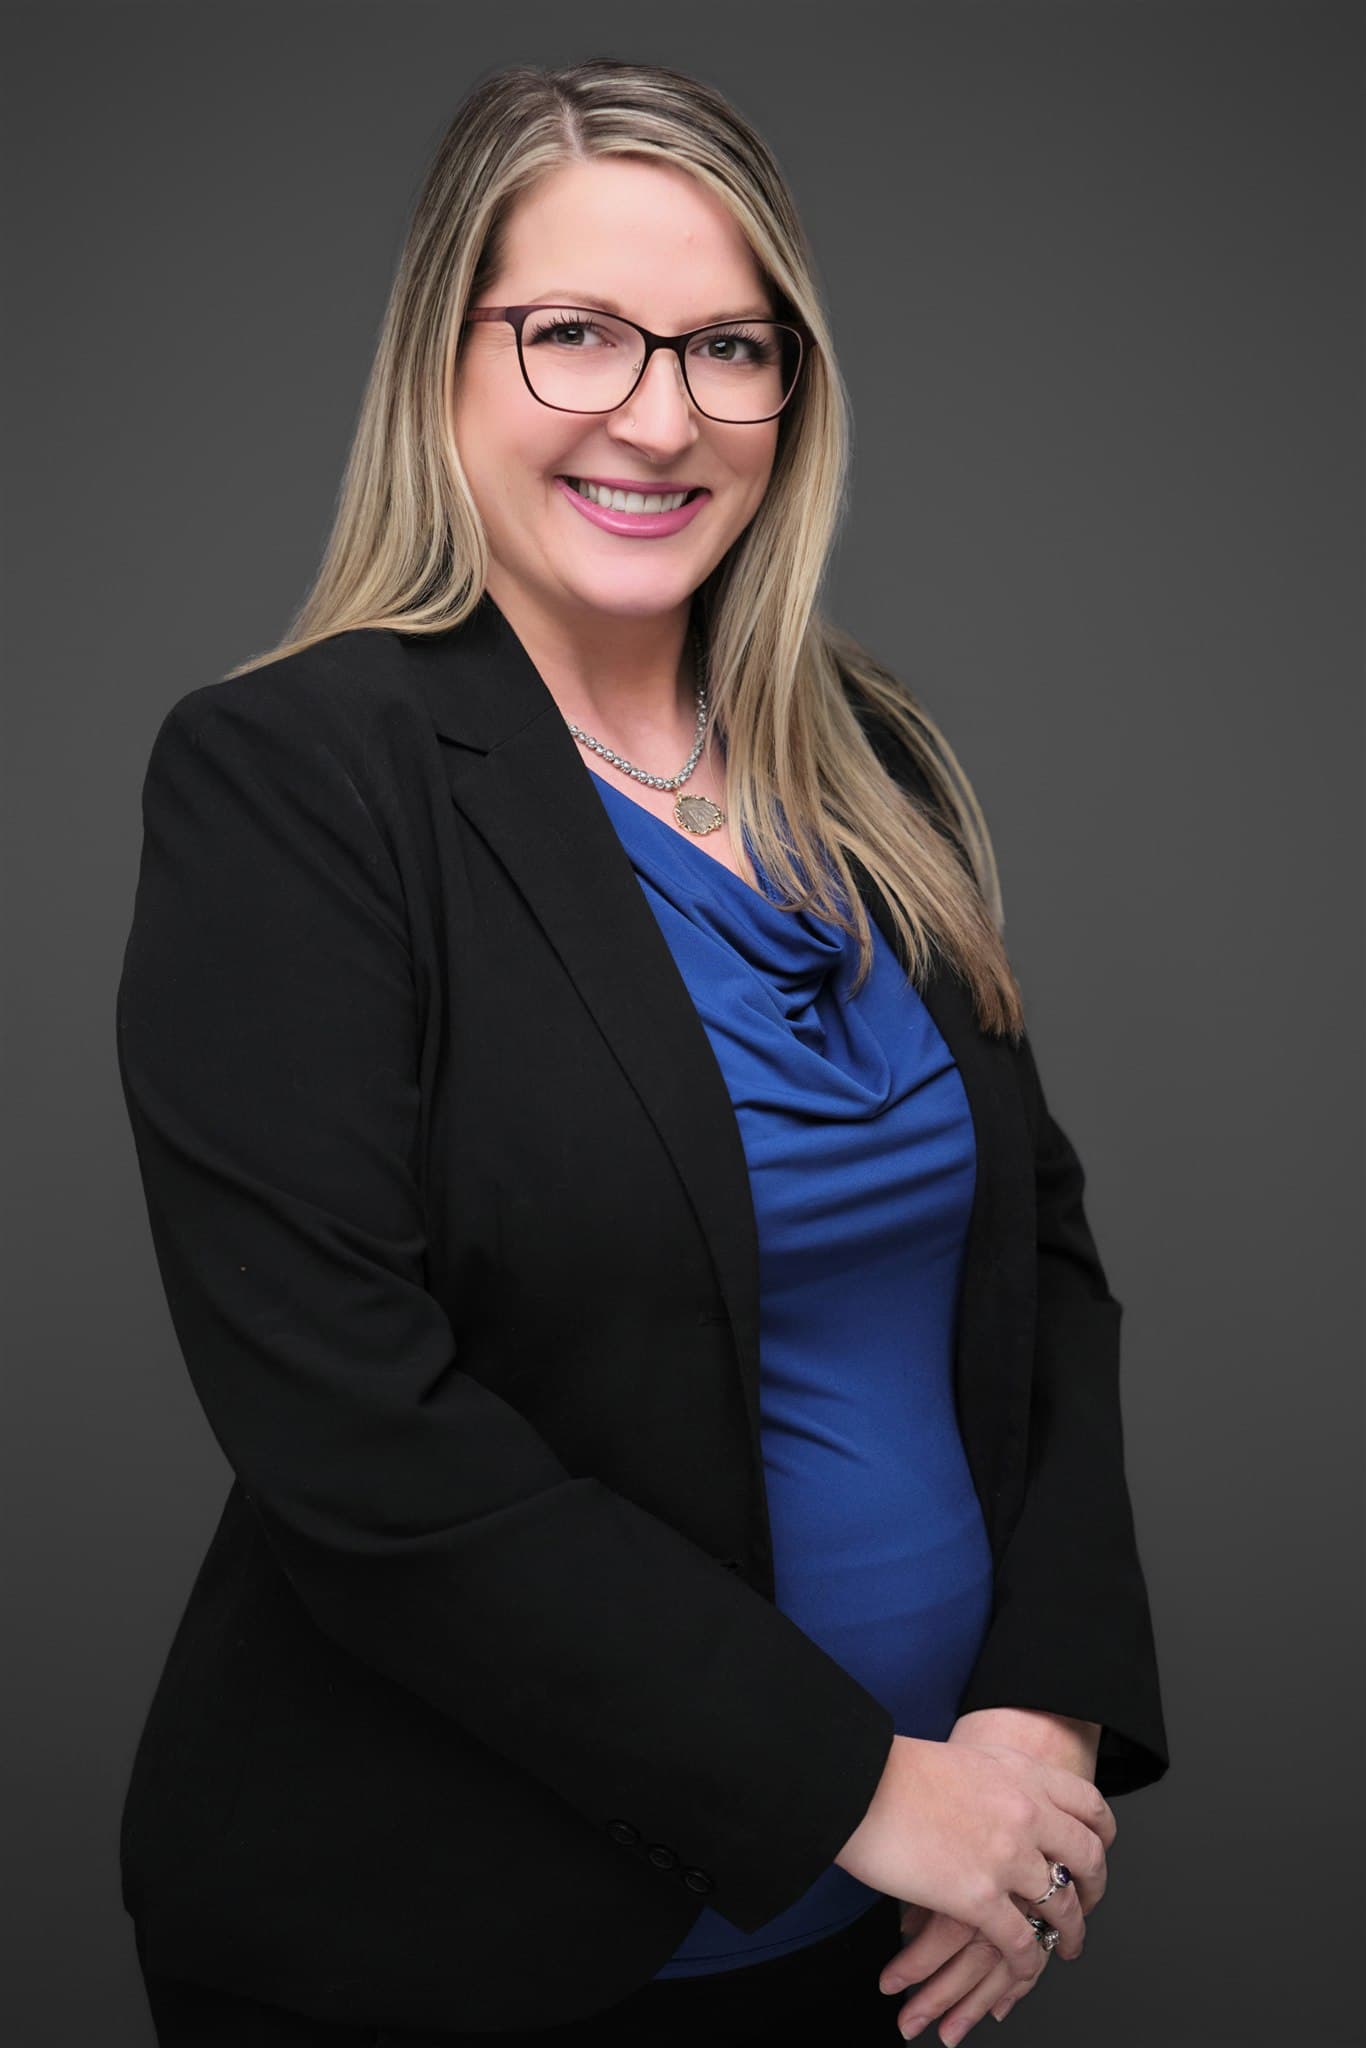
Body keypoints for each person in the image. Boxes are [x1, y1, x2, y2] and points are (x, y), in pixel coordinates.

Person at [116, 56, 1169, 2048]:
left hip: (896, 1925)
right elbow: (356, 1426)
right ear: (445, 360)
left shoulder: (867, 761)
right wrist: (863, 1788)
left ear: (794, 387)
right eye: (576, 333)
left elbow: (1036, 1264)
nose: (659, 414)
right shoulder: (295, 779)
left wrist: (1033, 1724)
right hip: (469, 1952)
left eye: (726, 347)